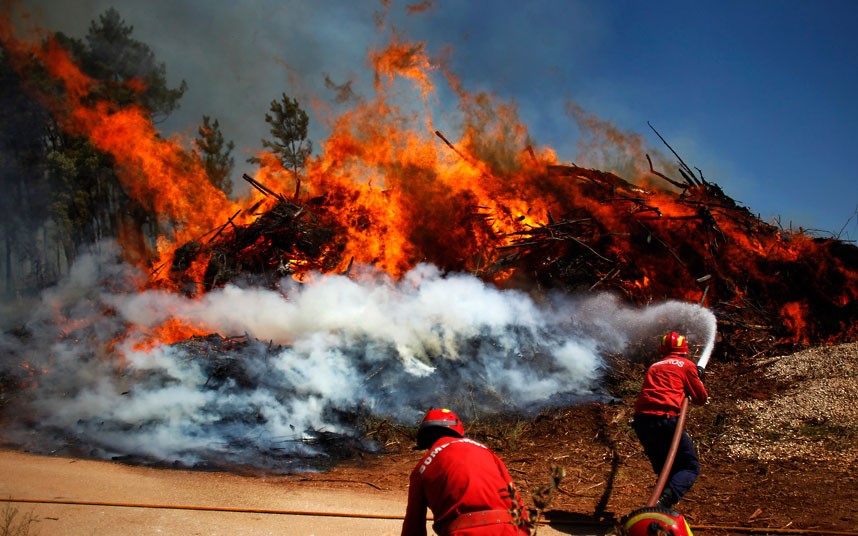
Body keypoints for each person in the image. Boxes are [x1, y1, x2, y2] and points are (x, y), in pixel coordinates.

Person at [401, 408, 531, 536]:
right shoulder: (488, 453)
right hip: (511, 530)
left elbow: (413, 525)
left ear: (426, 439)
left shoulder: (421, 468)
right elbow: (516, 499)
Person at [632, 331, 709, 510]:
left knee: (665, 471)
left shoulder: (655, 366)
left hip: (642, 423)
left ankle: (657, 510)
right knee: (689, 468)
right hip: (665, 421)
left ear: (663, 350)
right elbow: (701, 398)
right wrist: (697, 377)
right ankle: (660, 505)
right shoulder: (686, 365)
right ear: (684, 349)